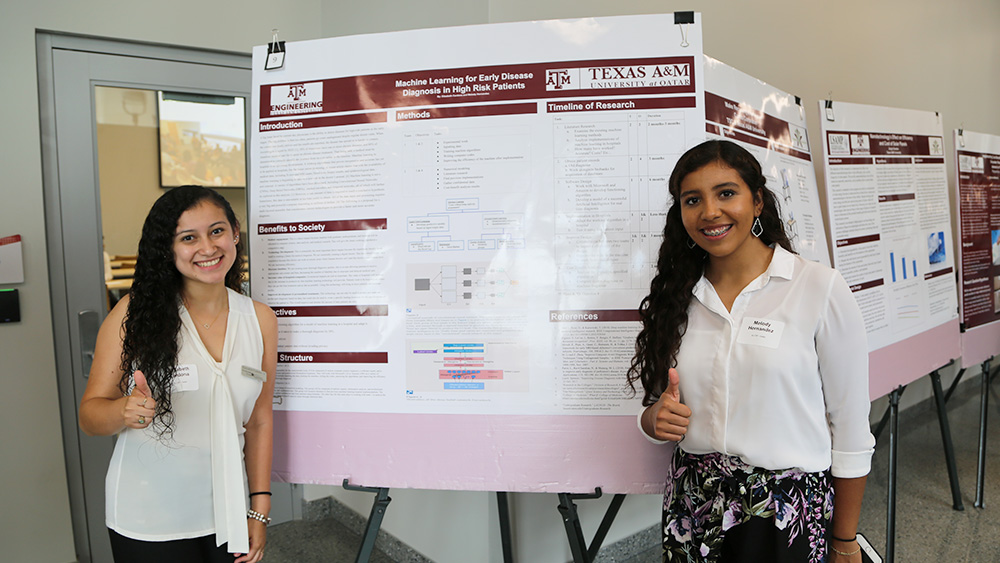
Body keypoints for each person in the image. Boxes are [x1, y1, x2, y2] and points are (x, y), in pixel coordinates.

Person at [627, 140, 875, 562]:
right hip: (695, 502)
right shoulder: (677, 297)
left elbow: (851, 430)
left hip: (784, 513)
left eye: (726, 193)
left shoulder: (818, 288)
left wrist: (845, 539)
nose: (709, 212)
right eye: (693, 200)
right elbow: (656, 407)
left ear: (757, 201)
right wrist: (653, 419)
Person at [80, 186, 277, 563]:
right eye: (188, 238)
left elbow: (260, 421)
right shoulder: (133, 314)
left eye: (217, 231)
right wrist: (122, 410)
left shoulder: (260, 319)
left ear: (235, 232)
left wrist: (258, 508)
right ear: (168, 249)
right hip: (149, 519)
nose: (208, 247)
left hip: (227, 513)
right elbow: (90, 415)